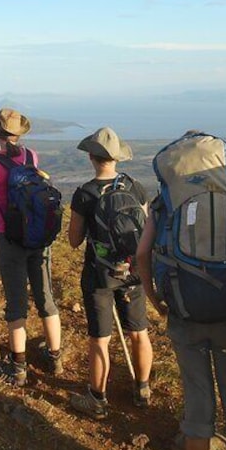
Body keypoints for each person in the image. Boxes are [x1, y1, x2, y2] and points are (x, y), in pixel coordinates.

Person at [136, 135, 226, 450]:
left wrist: (154, 299)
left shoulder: (164, 202)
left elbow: (142, 253)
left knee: (197, 398)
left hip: (184, 306)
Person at [0, 108, 62, 386]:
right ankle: (55, 355)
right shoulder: (32, 156)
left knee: (16, 301)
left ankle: (18, 366)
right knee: (44, 295)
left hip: (9, 239)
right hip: (37, 237)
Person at [67, 127, 153, 418]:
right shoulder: (135, 186)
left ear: (91, 156)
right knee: (139, 333)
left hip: (99, 275)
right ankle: (142, 389)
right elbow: (145, 229)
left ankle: (97, 399)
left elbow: (74, 239)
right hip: (134, 272)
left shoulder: (85, 194)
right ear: (117, 158)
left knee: (99, 339)